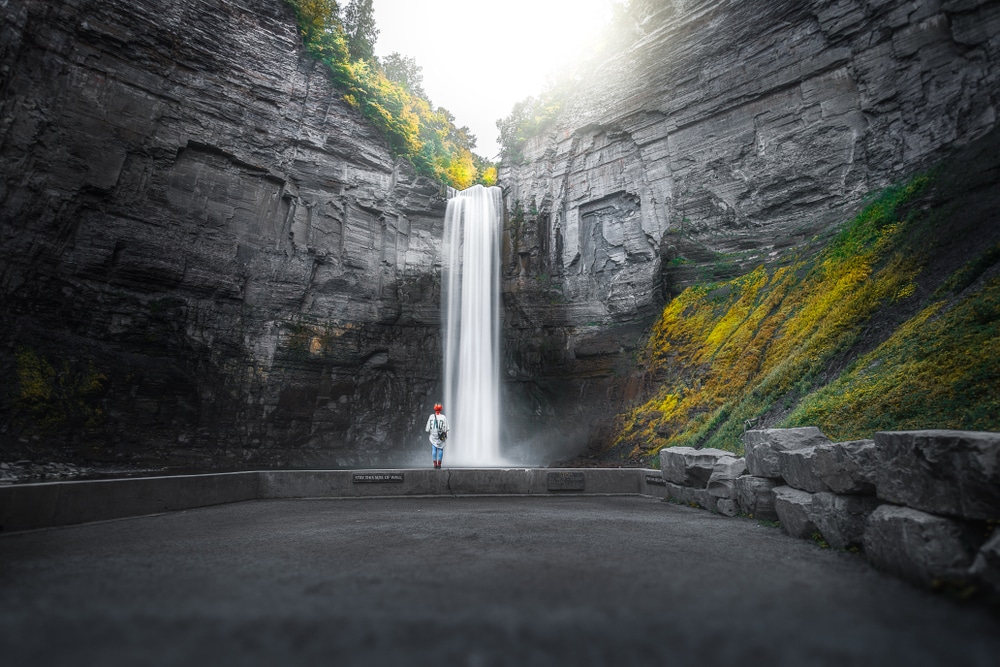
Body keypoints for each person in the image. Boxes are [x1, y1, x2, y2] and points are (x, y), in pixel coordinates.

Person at [425, 403, 449, 469]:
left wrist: (431, 432)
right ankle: (439, 464)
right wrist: (445, 434)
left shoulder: (431, 417)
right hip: (440, 436)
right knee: (440, 449)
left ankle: (435, 464)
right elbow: (446, 427)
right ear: (441, 409)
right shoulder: (443, 417)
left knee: (434, 449)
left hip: (433, 435)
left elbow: (428, 428)